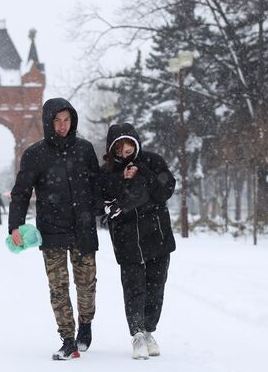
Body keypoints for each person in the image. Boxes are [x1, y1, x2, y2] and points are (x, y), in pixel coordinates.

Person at [9, 98, 102, 360]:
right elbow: (21, 193)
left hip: (83, 228)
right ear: (49, 122)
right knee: (58, 288)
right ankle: (68, 339)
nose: (62, 126)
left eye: (67, 120)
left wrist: (98, 209)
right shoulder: (35, 154)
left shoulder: (84, 149)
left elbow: (96, 183)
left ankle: (85, 324)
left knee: (87, 285)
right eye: (57, 121)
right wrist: (15, 225)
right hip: (52, 230)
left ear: (72, 121)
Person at [99, 123, 176, 360]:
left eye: (129, 144)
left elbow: (165, 190)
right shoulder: (107, 171)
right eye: (119, 146)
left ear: (136, 143)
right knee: (134, 289)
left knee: (156, 287)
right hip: (127, 239)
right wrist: (122, 178)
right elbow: (102, 198)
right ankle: (137, 334)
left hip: (157, 235)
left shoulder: (153, 161)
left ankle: (149, 330)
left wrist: (142, 173)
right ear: (112, 148)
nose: (125, 150)